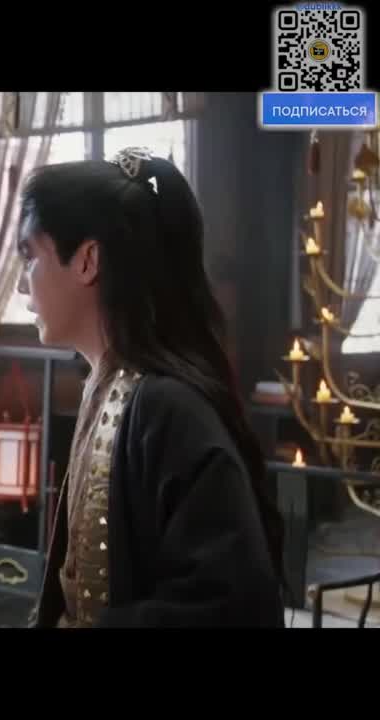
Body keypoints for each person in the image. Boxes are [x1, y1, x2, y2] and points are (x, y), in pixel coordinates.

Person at [18, 147, 286, 627]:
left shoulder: (170, 409)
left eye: (30, 257)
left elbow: (232, 605)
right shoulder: (107, 385)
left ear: (88, 260)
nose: (22, 286)